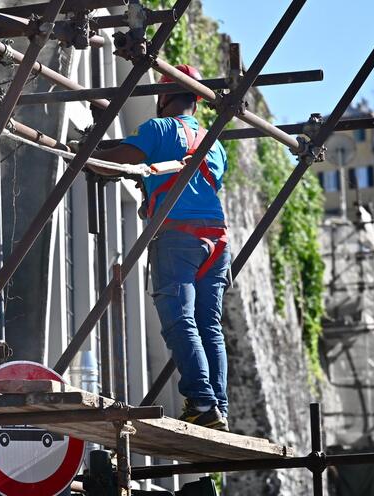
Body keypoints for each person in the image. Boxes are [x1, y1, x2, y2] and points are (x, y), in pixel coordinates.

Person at [86, 64, 230, 431]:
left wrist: (85, 150)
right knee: (208, 324)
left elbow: (109, 163)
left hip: (177, 236)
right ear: (196, 104)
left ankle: (201, 400)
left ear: (164, 96)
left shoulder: (159, 129)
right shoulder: (216, 145)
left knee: (180, 318)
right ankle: (216, 405)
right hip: (216, 239)